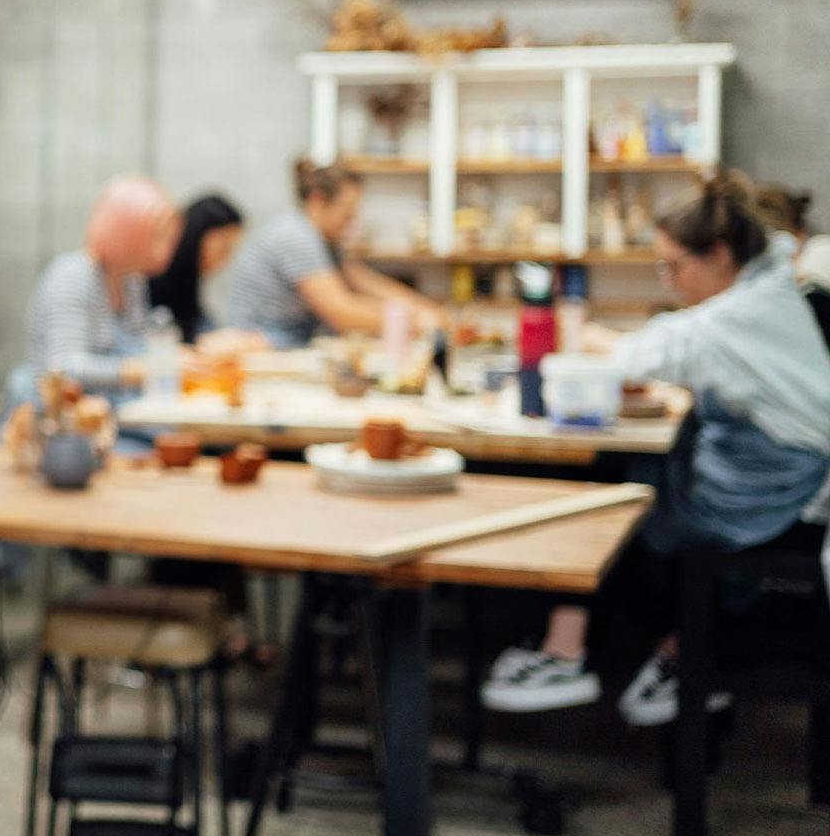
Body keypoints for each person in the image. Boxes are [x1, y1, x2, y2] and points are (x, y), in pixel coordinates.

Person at [481, 172, 830, 724]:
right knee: (625, 474)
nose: (669, 281)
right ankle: (663, 649)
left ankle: (569, 652)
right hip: (781, 477)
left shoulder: (740, 314)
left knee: (611, 493)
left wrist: (590, 338)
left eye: (675, 266)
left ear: (719, 253)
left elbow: (645, 354)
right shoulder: (766, 281)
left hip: (769, 492)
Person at [223, 159, 440, 348]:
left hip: (288, 338)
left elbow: (363, 281)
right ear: (318, 201)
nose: (351, 221)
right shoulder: (296, 236)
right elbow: (340, 311)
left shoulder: (324, 240)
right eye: (347, 213)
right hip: (260, 341)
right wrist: (416, 319)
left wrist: (429, 310)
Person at [25, 175, 181, 393]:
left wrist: (177, 359)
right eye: (157, 236)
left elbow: (141, 345)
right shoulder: (73, 276)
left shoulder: (132, 282)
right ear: (126, 231)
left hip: (119, 414)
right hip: (68, 421)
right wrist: (140, 370)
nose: (166, 250)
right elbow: (62, 368)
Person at [148, 193, 245, 344]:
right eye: (223, 248)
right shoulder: (158, 273)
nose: (227, 258)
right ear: (197, 236)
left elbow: (200, 322)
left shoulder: (193, 278)